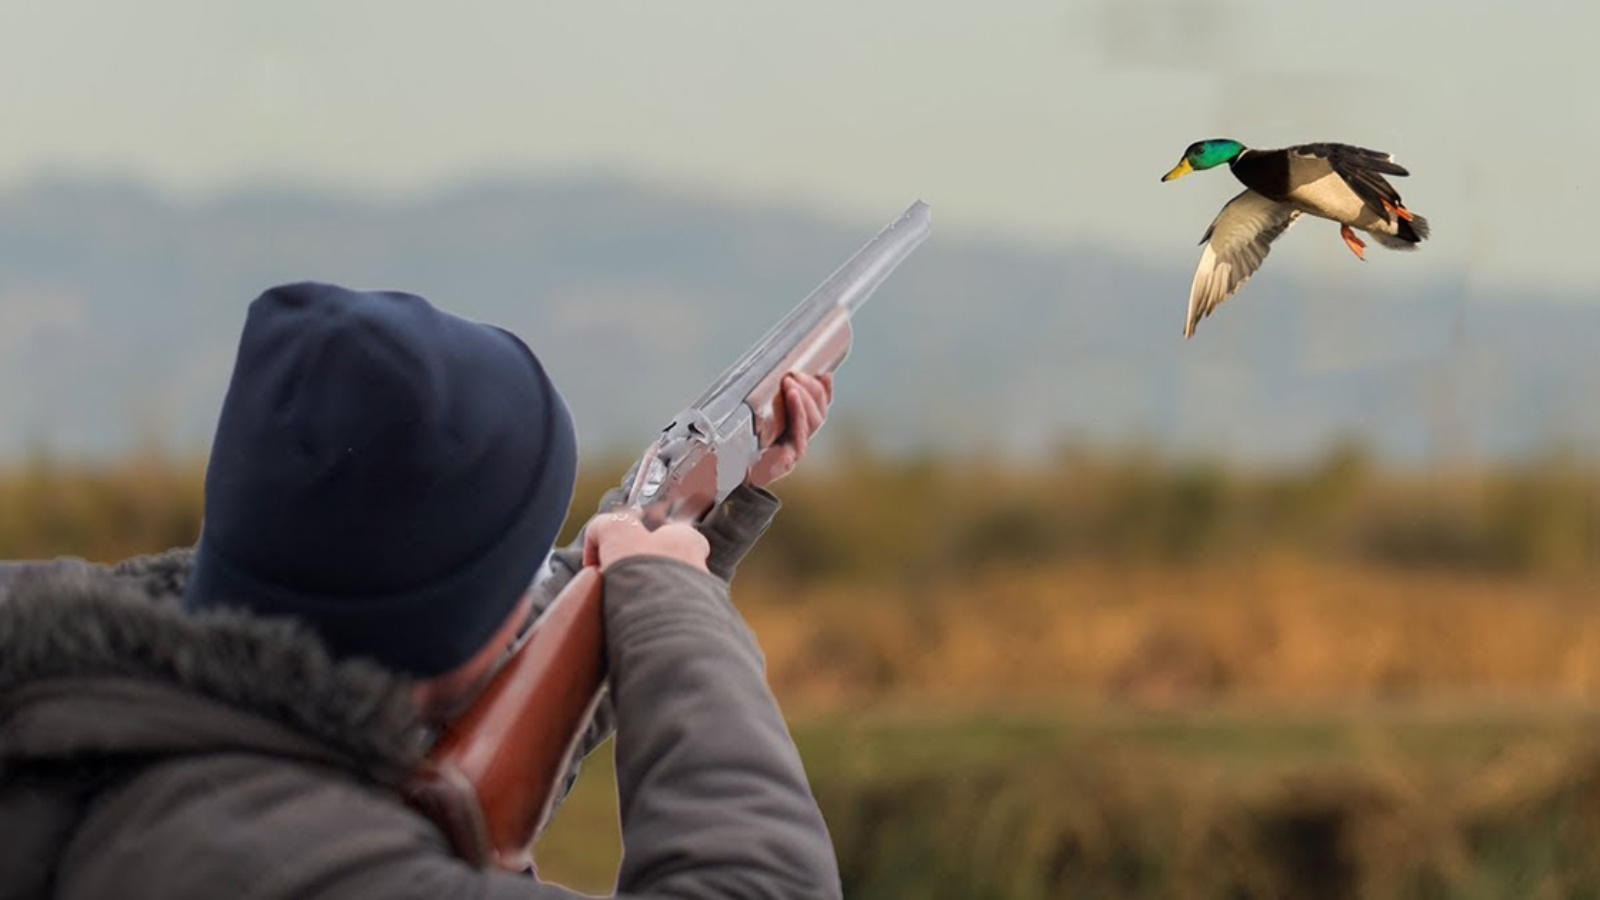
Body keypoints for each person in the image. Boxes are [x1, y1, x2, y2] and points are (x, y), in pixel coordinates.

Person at [0, 282, 842, 899]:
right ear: (450, 629)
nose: (538, 592)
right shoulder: (322, 866)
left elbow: (477, 646)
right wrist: (670, 597)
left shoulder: (95, 717)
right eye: (520, 572)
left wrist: (706, 513)